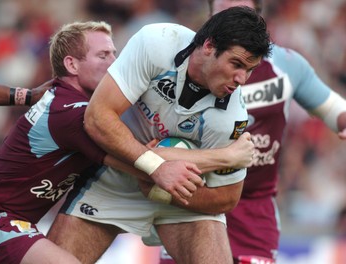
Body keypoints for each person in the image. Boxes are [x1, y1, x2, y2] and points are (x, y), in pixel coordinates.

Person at [46, 6, 271, 264]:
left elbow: (227, 198)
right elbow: (97, 118)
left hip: (183, 197)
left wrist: (162, 189)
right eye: (236, 64)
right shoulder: (157, 43)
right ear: (209, 46)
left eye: (250, 69)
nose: (242, 78)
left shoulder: (231, 118)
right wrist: (154, 168)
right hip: (114, 179)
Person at [158, 1, 346, 263]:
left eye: (244, 14)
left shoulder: (286, 65)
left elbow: (333, 109)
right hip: (193, 203)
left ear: (260, 17)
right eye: (226, 13)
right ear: (210, 17)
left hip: (254, 211)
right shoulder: (181, 61)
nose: (235, 23)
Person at [0, 20, 118, 264]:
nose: (114, 64)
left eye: (114, 54)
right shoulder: (71, 111)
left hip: (4, 225)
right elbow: (130, 158)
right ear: (71, 64)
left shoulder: (66, 102)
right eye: (103, 55)